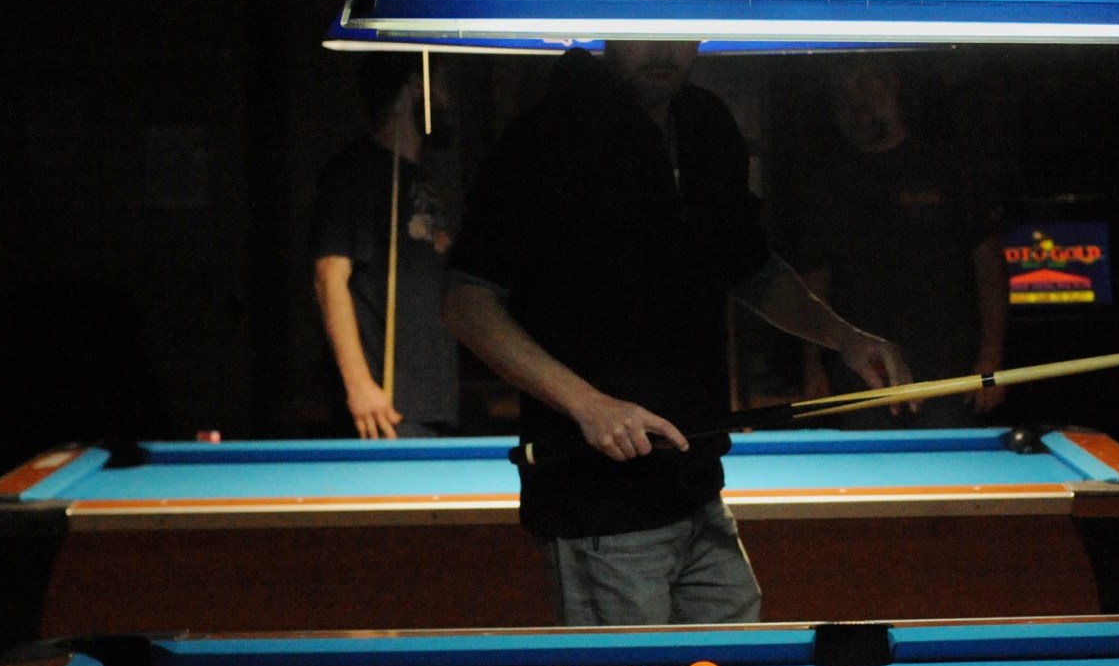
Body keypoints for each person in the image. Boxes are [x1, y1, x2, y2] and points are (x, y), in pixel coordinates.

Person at [442, 41, 910, 626]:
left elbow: (752, 270)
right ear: (607, 30)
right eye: (642, 30)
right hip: (597, 501)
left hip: (698, 487)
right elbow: (466, 301)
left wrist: (842, 336)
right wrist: (587, 404)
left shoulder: (706, 122)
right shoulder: (547, 134)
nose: (662, 48)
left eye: (676, 28)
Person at [795, 56, 1008, 429]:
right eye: (843, 89)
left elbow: (989, 264)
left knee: (948, 483)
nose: (853, 97)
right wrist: (812, 365)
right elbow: (815, 280)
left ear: (893, 84)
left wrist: (991, 359)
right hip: (862, 379)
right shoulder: (828, 182)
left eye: (863, 83)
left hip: (948, 375)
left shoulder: (946, 166)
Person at [311, 55, 461, 438]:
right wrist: (359, 385)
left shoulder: (417, 177)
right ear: (415, 86)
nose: (449, 98)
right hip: (384, 407)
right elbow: (330, 276)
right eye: (440, 85)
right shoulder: (356, 172)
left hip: (431, 402)